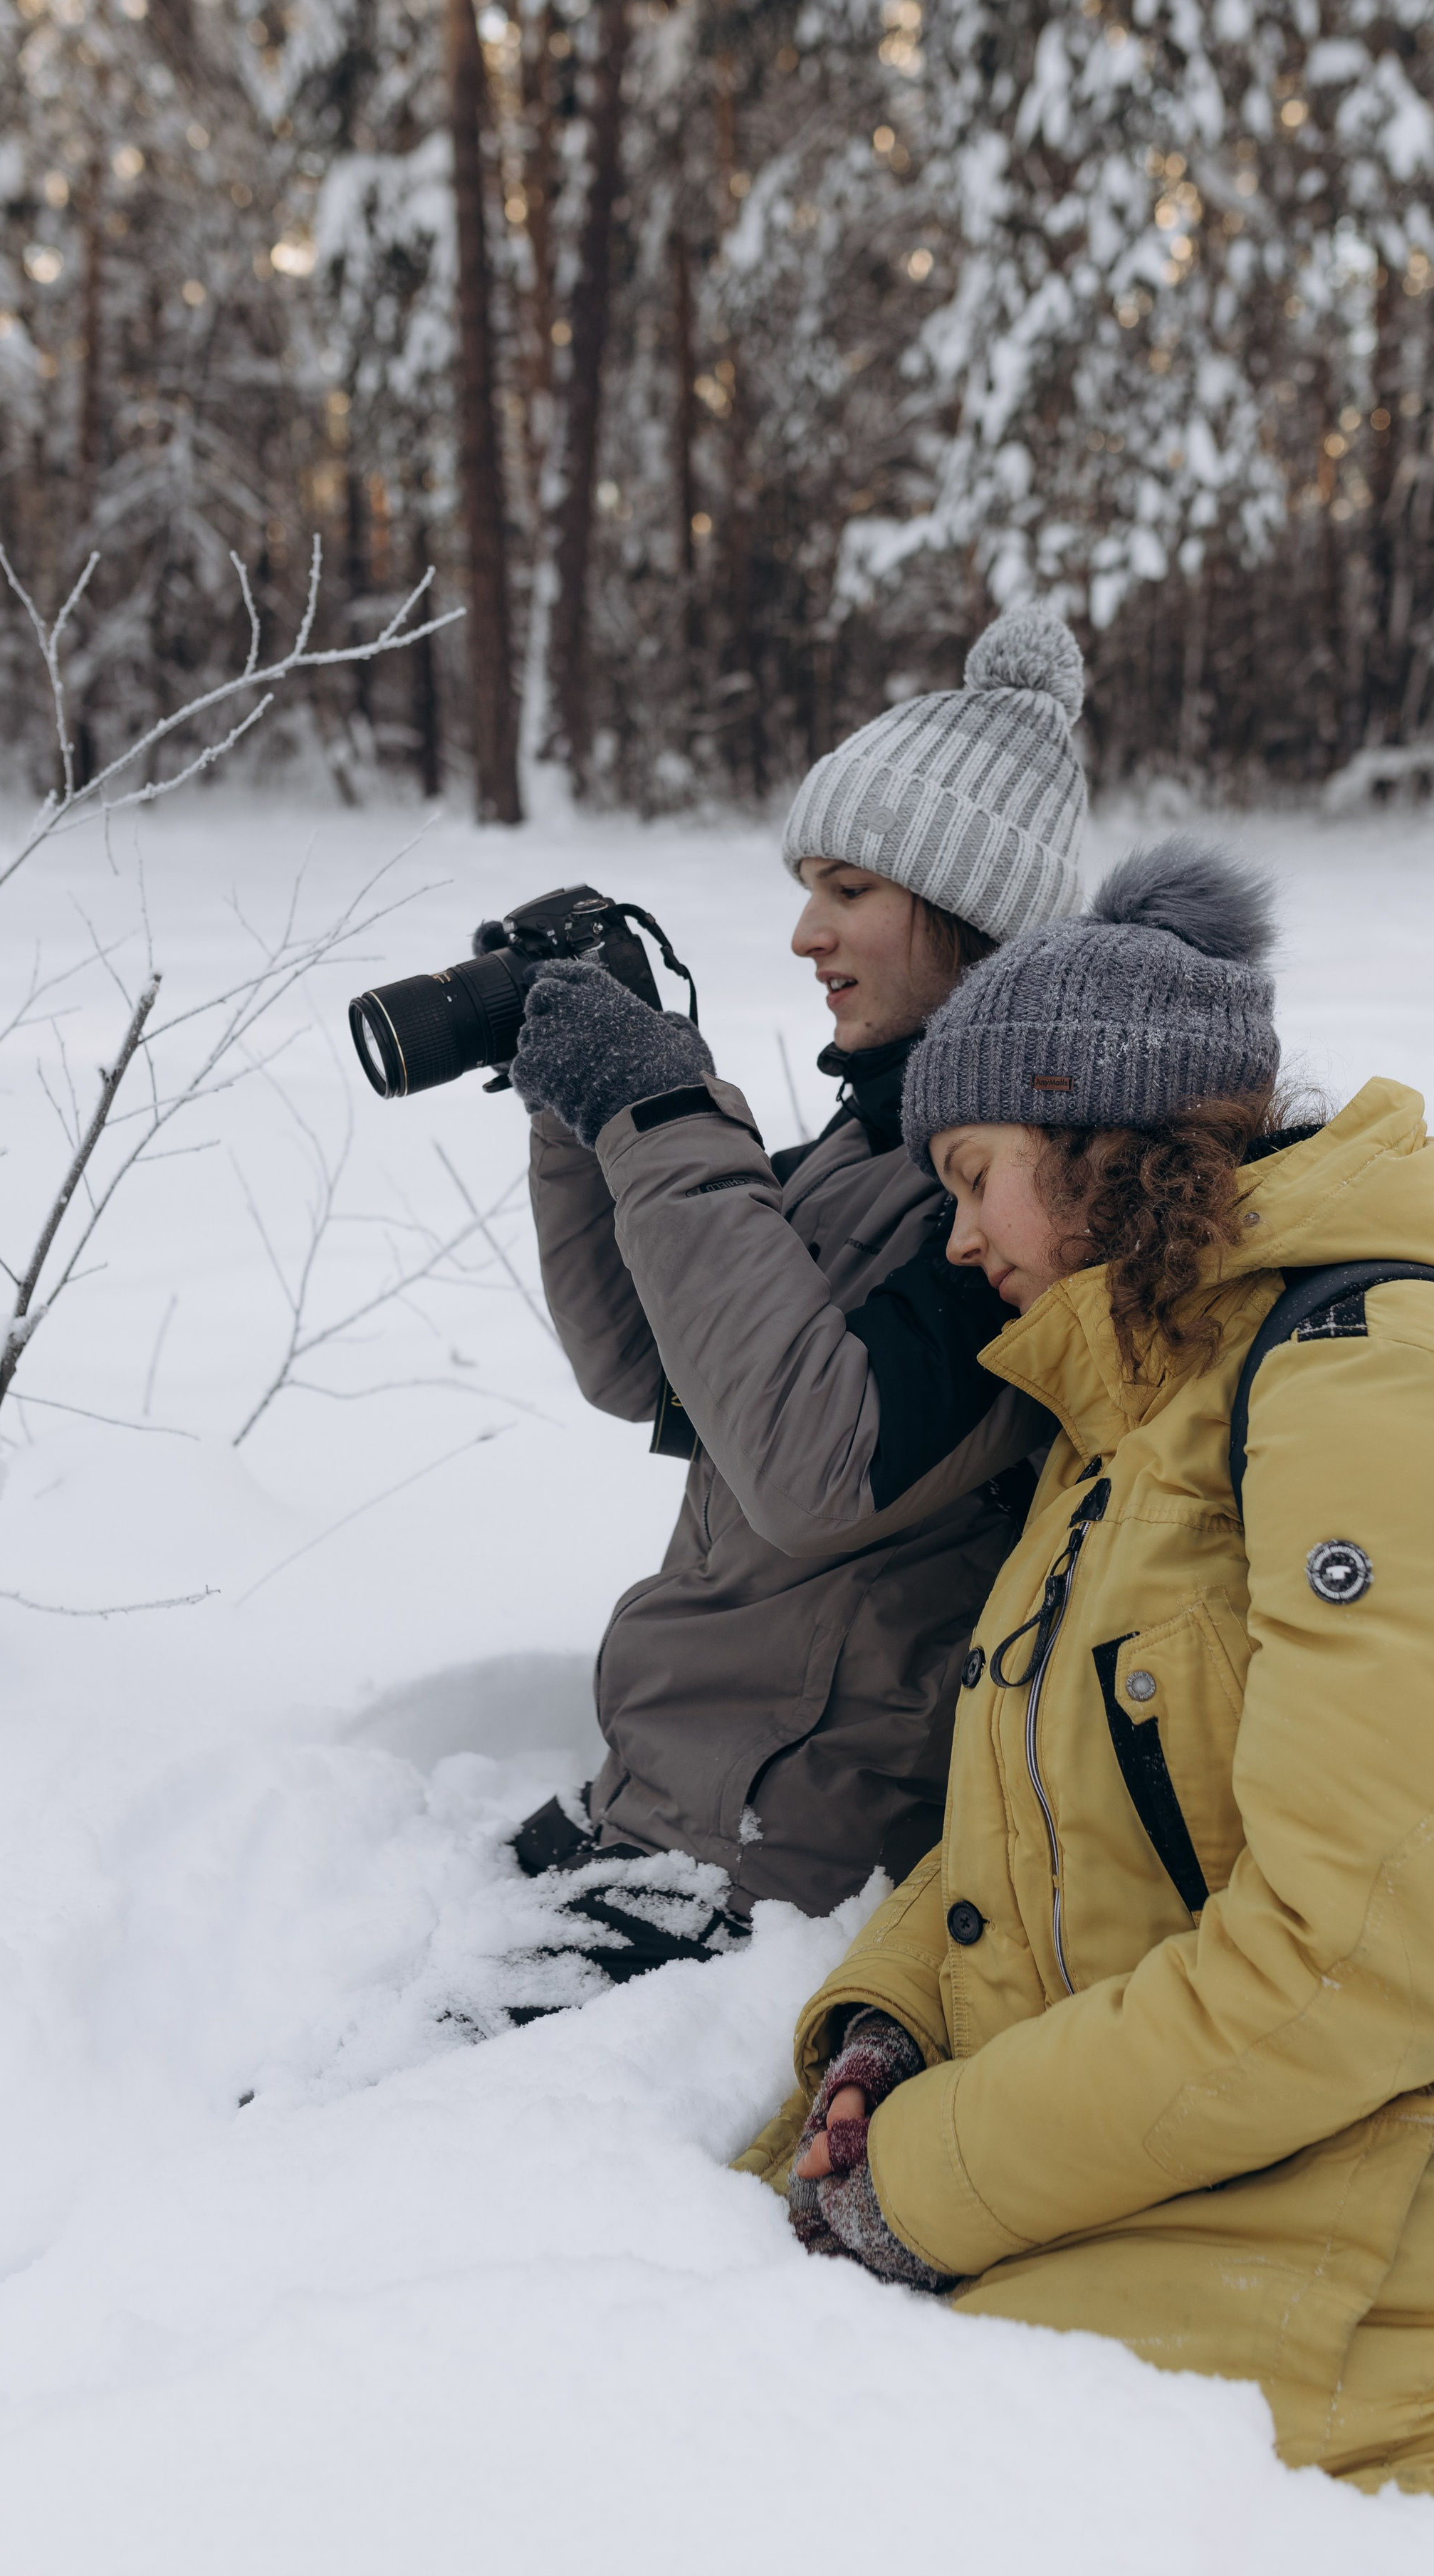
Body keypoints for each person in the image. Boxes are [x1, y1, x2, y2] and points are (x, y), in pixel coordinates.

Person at [739, 835, 1434, 2515]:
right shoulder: (1141, 1424)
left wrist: (932, 2179)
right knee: (747, 2362)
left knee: (840, 2468)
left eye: (974, 1173)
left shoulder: (1378, 1393)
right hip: (1255, 2140)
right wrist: (887, 2029)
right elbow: (1032, 1813)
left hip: (1410, 2196)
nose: (953, 1241)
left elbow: (1374, 1951)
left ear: (1096, 1149)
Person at [498, 606, 1088, 1986]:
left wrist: (660, 1111)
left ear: (967, 911)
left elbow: (816, 1470)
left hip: (788, 1868)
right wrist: (588, 1106)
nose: (802, 934)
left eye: (846, 890)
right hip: (669, 1808)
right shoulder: (869, 1138)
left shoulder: (1030, 1198)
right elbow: (644, 1369)